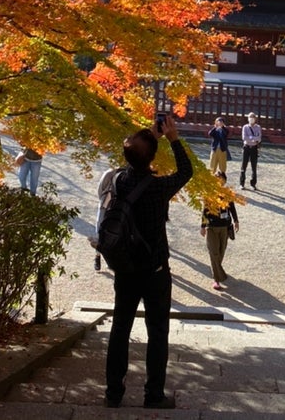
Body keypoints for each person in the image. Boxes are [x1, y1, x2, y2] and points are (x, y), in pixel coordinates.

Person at [104, 116, 192, 411]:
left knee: (120, 329)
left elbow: (134, 159)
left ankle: (113, 393)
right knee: (157, 331)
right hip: (154, 270)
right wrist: (173, 138)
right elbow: (186, 171)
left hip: (125, 269)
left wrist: (148, 142)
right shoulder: (158, 188)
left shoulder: (118, 180)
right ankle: (153, 394)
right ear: (153, 156)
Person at [200, 171, 239, 290]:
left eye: (220, 178)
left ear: (224, 180)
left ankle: (218, 272)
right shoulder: (209, 193)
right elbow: (205, 210)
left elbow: (232, 208)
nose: (218, 181)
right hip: (211, 227)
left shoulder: (228, 193)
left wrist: (236, 221)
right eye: (216, 178)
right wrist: (202, 226)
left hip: (225, 227)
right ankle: (217, 279)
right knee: (214, 252)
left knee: (221, 251)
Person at [239, 112, 262, 190]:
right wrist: (253, 138)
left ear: (255, 119)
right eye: (250, 117)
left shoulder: (258, 127)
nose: (251, 119)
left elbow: (259, 138)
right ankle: (241, 184)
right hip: (246, 147)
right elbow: (244, 137)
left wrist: (251, 138)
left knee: (254, 167)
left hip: (254, 148)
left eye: (253, 117)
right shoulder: (245, 127)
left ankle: (253, 184)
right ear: (248, 118)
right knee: (243, 166)